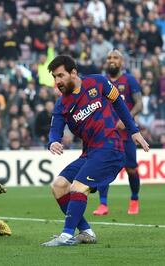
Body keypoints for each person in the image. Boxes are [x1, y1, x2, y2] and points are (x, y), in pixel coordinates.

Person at [41, 55, 149, 247]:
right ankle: (86, 231)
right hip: (89, 152)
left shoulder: (98, 82)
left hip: (110, 147)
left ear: (73, 72)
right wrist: (52, 142)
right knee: (58, 186)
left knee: (77, 187)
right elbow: (55, 130)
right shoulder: (61, 104)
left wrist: (133, 131)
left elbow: (119, 104)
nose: (57, 81)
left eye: (60, 75)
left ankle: (66, 236)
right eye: (54, 77)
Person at [93, 49, 143, 216]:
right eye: (109, 58)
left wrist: (126, 118)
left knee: (131, 169)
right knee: (103, 169)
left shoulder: (129, 80)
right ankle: (103, 204)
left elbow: (139, 104)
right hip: (106, 135)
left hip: (126, 134)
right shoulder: (101, 82)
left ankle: (134, 199)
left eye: (115, 57)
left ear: (122, 61)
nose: (111, 60)